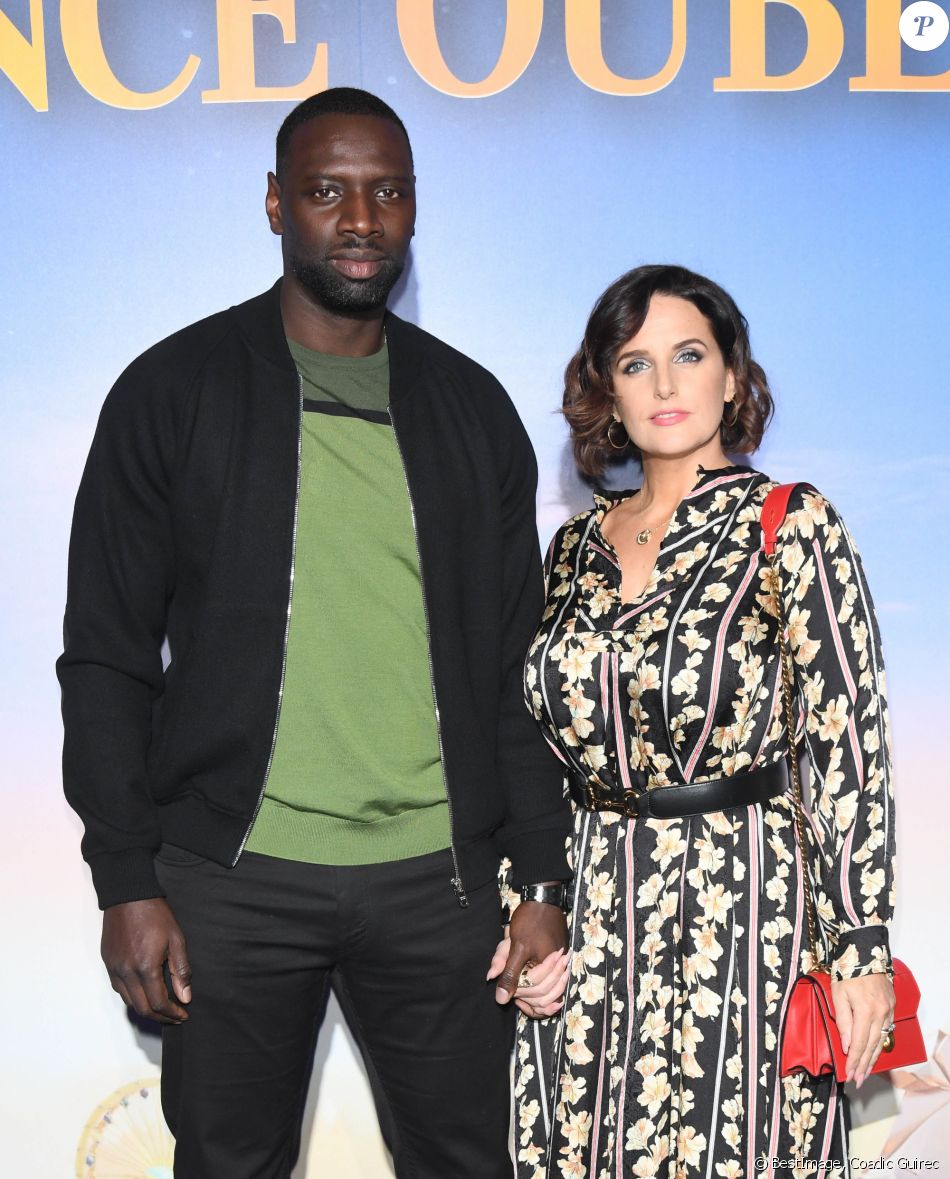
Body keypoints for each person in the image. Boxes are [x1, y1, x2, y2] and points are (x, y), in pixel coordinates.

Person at [57, 87, 571, 1179]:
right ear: (274, 204)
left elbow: (510, 669)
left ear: (413, 210)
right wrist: (124, 878)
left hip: (440, 882)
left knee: (470, 1163)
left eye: (387, 192)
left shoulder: (469, 411)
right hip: (230, 886)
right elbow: (104, 656)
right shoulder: (172, 392)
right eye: (327, 190)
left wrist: (540, 877)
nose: (359, 218)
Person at [509, 265, 896, 1176]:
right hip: (595, 916)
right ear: (607, 389)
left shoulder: (790, 523)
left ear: (732, 376)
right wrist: (528, 902)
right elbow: (531, 746)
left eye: (690, 355)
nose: (667, 384)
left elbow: (848, 744)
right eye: (635, 364)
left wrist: (862, 947)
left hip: (748, 910)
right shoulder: (571, 548)